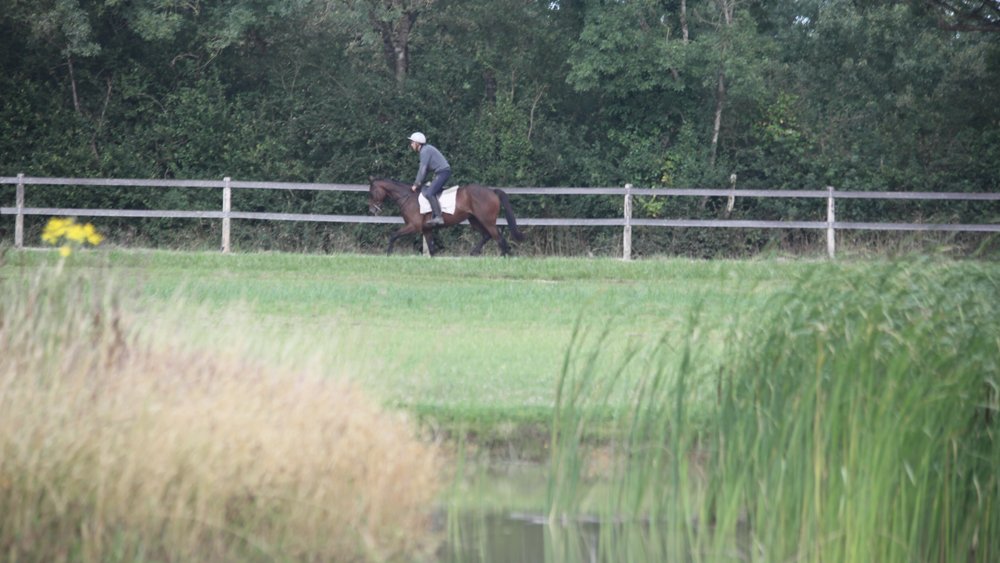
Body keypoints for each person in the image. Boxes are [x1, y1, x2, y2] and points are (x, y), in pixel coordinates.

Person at [408, 132, 451, 226]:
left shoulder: (424, 151)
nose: (411, 145)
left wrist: (416, 184)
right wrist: (420, 183)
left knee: (430, 193)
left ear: (417, 143)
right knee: (426, 188)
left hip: (442, 173)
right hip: (441, 172)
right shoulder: (426, 149)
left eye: (412, 142)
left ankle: (439, 217)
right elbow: (426, 170)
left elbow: (422, 169)